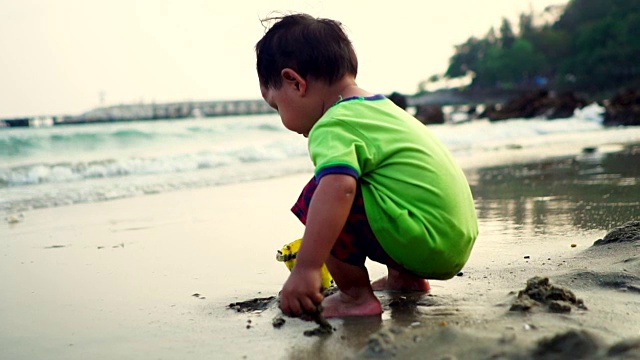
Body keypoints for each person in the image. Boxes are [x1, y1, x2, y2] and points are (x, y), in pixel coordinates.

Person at [255, 13, 478, 318]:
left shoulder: (333, 123)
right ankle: (405, 278)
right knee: (373, 184)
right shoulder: (380, 108)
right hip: (450, 238)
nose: (282, 119)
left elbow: (339, 189)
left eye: (276, 106)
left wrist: (306, 268)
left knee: (321, 192)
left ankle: (355, 297)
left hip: (426, 242)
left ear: (295, 83)